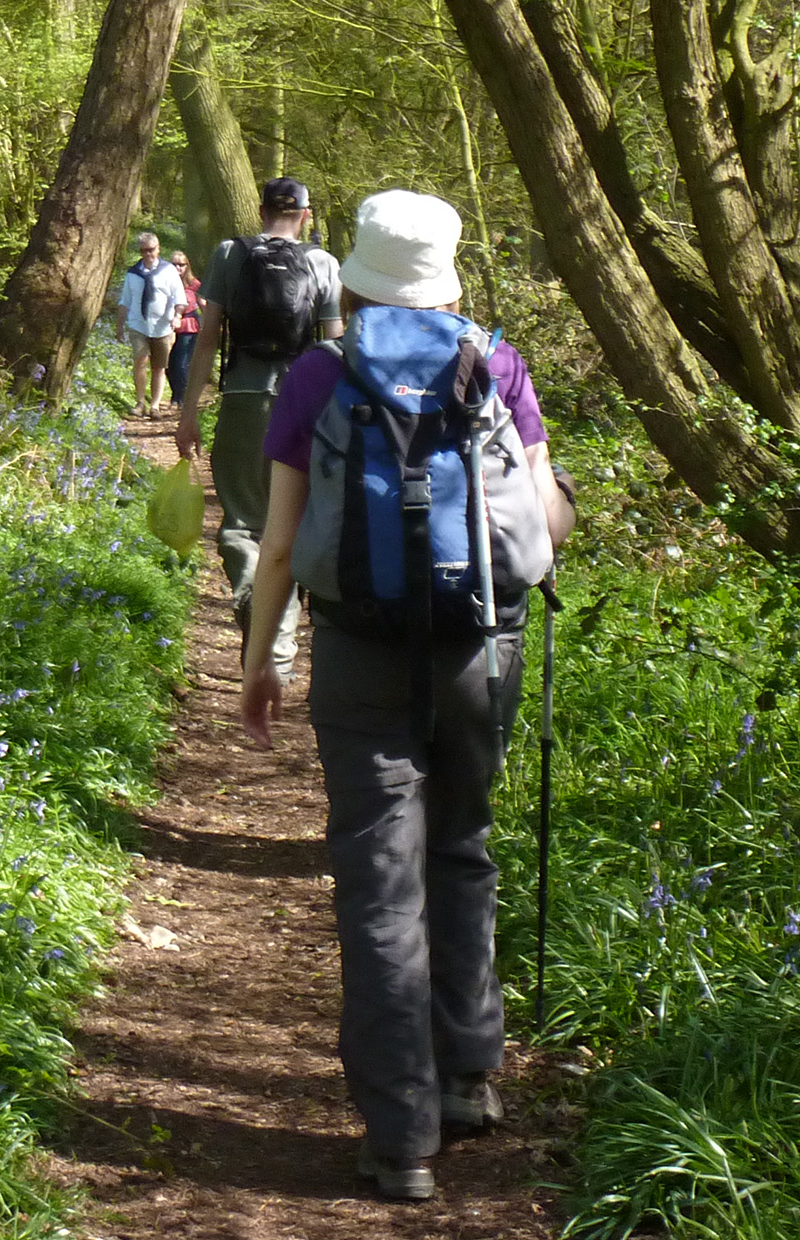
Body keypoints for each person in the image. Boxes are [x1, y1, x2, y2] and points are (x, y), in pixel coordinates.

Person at [238, 189, 576, 1201]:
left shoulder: (316, 375)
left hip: (357, 653)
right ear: (446, 272)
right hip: (480, 644)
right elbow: (545, 526)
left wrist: (263, 660)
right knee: (460, 845)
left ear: (357, 270)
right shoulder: (498, 364)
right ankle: (469, 1075)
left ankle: (399, 1139)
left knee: (378, 879)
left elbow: (281, 546)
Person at [176, 177, 344, 680]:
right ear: (307, 215)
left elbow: (206, 341)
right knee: (289, 522)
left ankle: (250, 592)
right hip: (304, 403)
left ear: (261, 209)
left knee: (243, 522)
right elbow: (335, 346)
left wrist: (188, 414)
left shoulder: (230, 253)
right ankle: (280, 653)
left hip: (244, 399)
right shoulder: (324, 264)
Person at [113, 231, 186, 418]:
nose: (148, 254)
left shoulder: (168, 271)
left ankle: (154, 405)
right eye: (144, 251)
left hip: (163, 327)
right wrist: (119, 325)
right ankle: (139, 403)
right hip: (139, 325)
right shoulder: (133, 274)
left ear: (158, 249)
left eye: (151, 250)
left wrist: (177, 315)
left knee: (159, 367)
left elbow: (179, 297)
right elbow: (125, 301)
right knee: (141, 359)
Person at [164, 250, 201, 406]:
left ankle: (183, 398)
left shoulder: (194, 284)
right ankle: (176, 394)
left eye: (181, 265)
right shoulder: (164, 281)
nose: (178, 268)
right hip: (168, 326)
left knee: (181, 362)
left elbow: (203, 303)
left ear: (187, 266)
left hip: (188, 326)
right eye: (174, 264)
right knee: (168, 364)